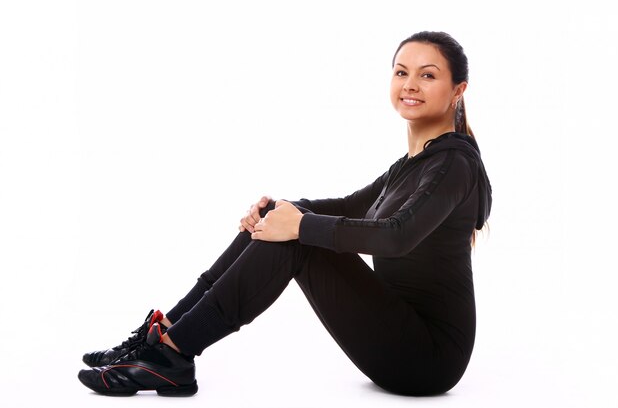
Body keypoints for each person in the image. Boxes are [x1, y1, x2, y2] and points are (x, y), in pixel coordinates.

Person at [78, 31, 492, 397]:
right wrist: (278, 211)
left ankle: (173, 354)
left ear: (458, 90)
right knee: (287, 219)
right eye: (401, 73)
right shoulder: (412, 164)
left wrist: (297, 224)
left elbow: (395, 236)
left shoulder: (454, 163)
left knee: (298, 236)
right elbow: (348, 209)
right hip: (394, 331)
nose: (410, 85)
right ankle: (163, 337)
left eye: (428, 75)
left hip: (427, 359)